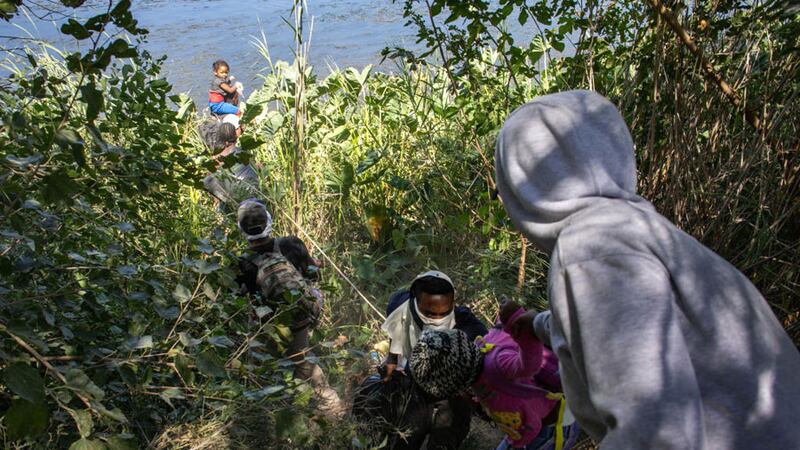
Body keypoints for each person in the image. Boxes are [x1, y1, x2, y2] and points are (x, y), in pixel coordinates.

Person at [494, 90, 800, 449]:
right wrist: (534, 323)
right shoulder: (632, 229)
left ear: (519, 184)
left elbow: (656, 432)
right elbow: (606, 320)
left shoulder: (593, 248)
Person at [407, 301, 580, 450]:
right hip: (525, 423)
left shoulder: (497, 367)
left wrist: (527, 332)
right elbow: (503, 330)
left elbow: (528, 366)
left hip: (553, 425)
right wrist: (508, 318)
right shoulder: (485, 344)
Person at [352, 271, 487, 449]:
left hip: (451, 392)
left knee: (445, 439)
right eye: (430, 313)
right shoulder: (399, 305)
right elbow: (396, 329)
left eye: (444, 313)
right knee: (407, 436)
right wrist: (392, 359)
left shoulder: (466, 324)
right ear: (414, 300)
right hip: (413, 383)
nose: (437, 320)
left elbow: (484, 354)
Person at [236, 199, 344, 418]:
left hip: (267, 324)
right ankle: (333, 408)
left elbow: (239, 295)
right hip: (299, 317)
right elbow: (313, 274)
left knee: (258, 367)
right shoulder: (290, 244)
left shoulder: (242, 262)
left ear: (242, 229)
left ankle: (266, 413)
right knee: (302, 361)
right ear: (269, 222)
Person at [202, 115, 258, 209]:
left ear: (220, 136)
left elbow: (209, 182)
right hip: (247, 199)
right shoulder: (244, 154)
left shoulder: (216, 158)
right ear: (235, 136)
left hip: (227, 202)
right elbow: (253, 172)